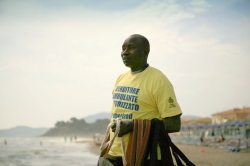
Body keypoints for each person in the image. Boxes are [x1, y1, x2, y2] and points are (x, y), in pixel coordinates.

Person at [104, 34, 182, 166]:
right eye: (123, 49)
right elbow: (115, 116)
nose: (125, 53)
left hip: (145, 156)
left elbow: (174, 124)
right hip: (114, 154)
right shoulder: (120, 78)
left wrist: (133, 126)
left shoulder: (159, 80)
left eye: (131, 48)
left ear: (145, 51)